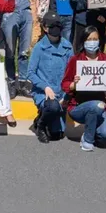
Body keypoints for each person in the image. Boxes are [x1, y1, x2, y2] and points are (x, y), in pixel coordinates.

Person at [61, 26, 106, 151]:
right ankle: (87, 139)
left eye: (95, 39)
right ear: (84, 41)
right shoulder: (75, 60)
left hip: (100, 106)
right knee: (95, 106)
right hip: (77, 106)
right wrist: (74, 84)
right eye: (89, 39)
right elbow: (64, 84)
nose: (92, 42)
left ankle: (91, 130)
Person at [28, 13, 74, 143]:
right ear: (45, 28)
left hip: (62, 93)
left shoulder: (67, 46)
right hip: (44, 93)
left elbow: (72, 72)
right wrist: (45, 87)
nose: (56, 28)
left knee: (57, 135)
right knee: (52, 107)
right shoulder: (39, 47)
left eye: (58, 25)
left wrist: (66, 96)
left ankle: (42, 118)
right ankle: (41, 126)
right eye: (52, 26)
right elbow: (31, 73)